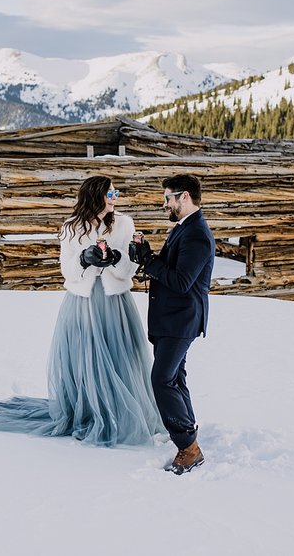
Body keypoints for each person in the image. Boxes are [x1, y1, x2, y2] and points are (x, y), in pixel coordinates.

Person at [0, 176, 164, 447]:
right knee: (87, 358)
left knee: (121, 358)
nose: (115, 197)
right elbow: (67, 271)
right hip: (83, 303)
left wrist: (116, 261)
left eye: (116, 192)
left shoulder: (124, 224)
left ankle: (121, 412)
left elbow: (129, 269)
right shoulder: (72, 228)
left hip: (115, 303)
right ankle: (90, 412)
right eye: (110, 193)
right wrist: (84, 259)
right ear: (95, 195)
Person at [128, 174, 215, 475]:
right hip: (173, 318)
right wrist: (148, 256)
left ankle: (188, 448)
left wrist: (149, 261)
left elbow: (181, 281)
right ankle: (187, 433)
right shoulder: (185, 229)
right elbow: (174, 268)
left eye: (168, 198)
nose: (164, 204)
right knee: (175, 377)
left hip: (181, 319)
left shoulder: (197, 234)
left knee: (162, 379)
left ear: (185, 197)